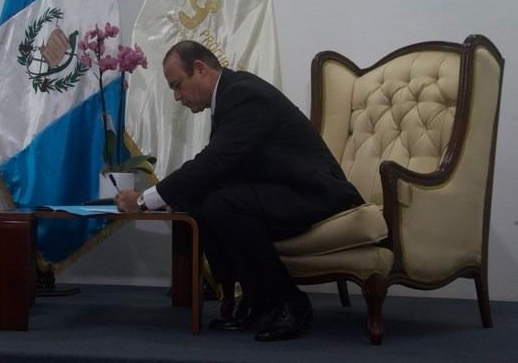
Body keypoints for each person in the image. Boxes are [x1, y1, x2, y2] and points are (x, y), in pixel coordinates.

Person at [115, 40, 363, 341]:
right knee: (203, 200)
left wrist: (144, 200)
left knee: (223, 204)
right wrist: (176, 198)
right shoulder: (230, 96)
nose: (178, 97)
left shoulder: (243, 94)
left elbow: (214, 162)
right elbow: (224, 168)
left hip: (316, 193)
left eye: (177, 86)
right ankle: (253, 298)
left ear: (200, 69)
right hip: (286, 189)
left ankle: (289, 303)